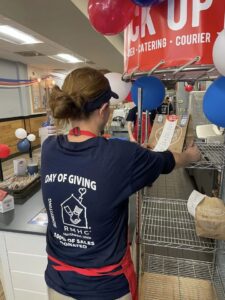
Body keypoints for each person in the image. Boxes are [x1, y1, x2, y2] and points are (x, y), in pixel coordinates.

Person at [41, 67, 201, 300]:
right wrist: (189, 157)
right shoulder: (122, 154)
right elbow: (166, 161)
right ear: (103, 109)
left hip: (57, 282)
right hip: (106, 288)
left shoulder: (49, 147)